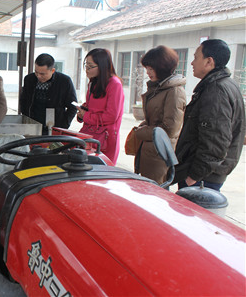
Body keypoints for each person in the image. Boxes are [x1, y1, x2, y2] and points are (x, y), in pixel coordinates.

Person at [175, 39, 245, 191]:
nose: (192, 63)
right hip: (206, 175)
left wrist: (194, 176)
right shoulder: (225, 84)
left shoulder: (216, 90)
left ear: (209, 61)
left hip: (203, 178)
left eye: (195, 57)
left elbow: (215, 142)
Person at [132, 46, 186, 184]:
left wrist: (142, 132)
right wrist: (144, 125)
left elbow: (170, 129)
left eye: (151, 68)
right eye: (147, 68)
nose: (148, 72)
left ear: (162, 67)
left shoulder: (174, 91)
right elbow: (153, 118)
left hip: (159, 153)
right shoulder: (159, 87)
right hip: (150, 150)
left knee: (155, 194)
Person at [76, 48, 124, 165]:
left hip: (105, 139)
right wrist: (82, 111)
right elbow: (91, 105)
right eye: (86, 65)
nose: (86, 70)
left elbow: (111, 116)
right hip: (89, 134)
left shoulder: (115, 84)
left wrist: (86, 116)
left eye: (90, 66)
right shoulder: (93, 82)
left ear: (102, 66)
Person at [20, 53, 77, 134]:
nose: (38, 76)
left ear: (52, 70)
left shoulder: (64, 81)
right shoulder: (29, 79)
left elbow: (73, 106)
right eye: (36, 72)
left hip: (54, 129)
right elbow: (23, 100)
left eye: (42, 74)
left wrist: (63, 126)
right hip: (32, 127)